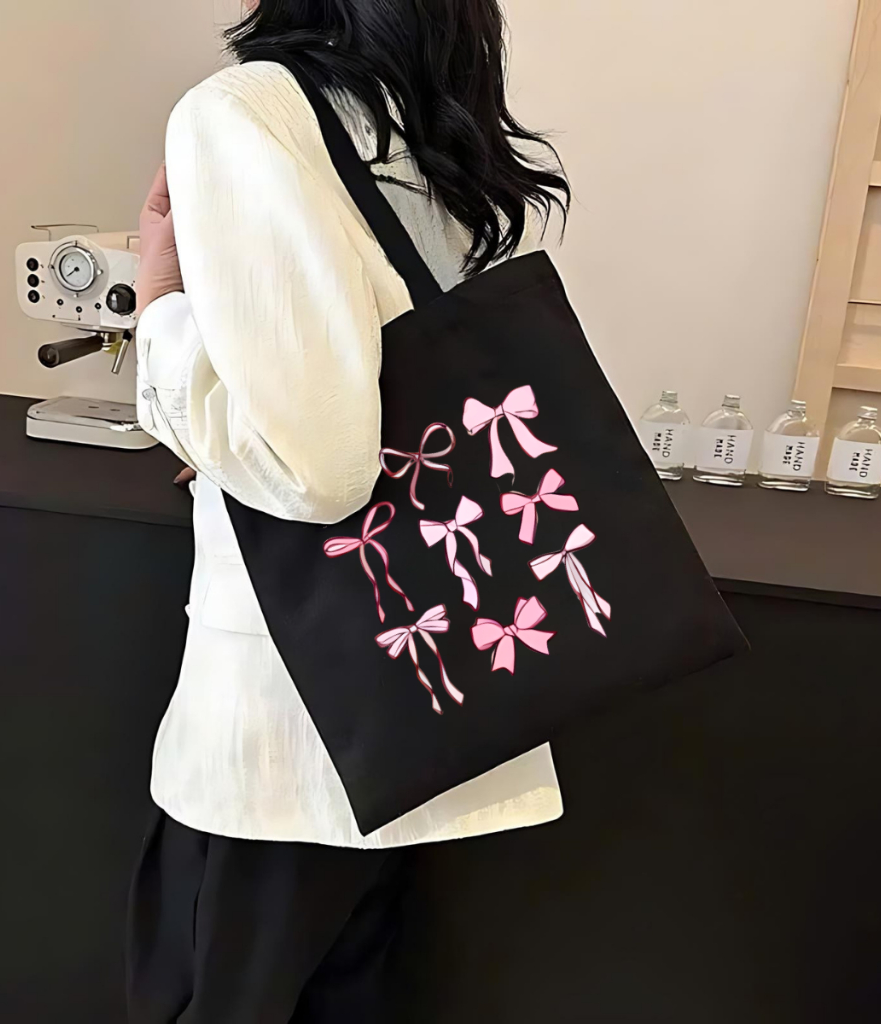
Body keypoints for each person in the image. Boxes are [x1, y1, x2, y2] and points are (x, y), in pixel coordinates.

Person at [128, 2, 570, 1021]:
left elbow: (318, 467)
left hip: (290, 719)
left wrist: (157, 301)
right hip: (422, 699)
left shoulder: (246, 111)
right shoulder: (417, 109)